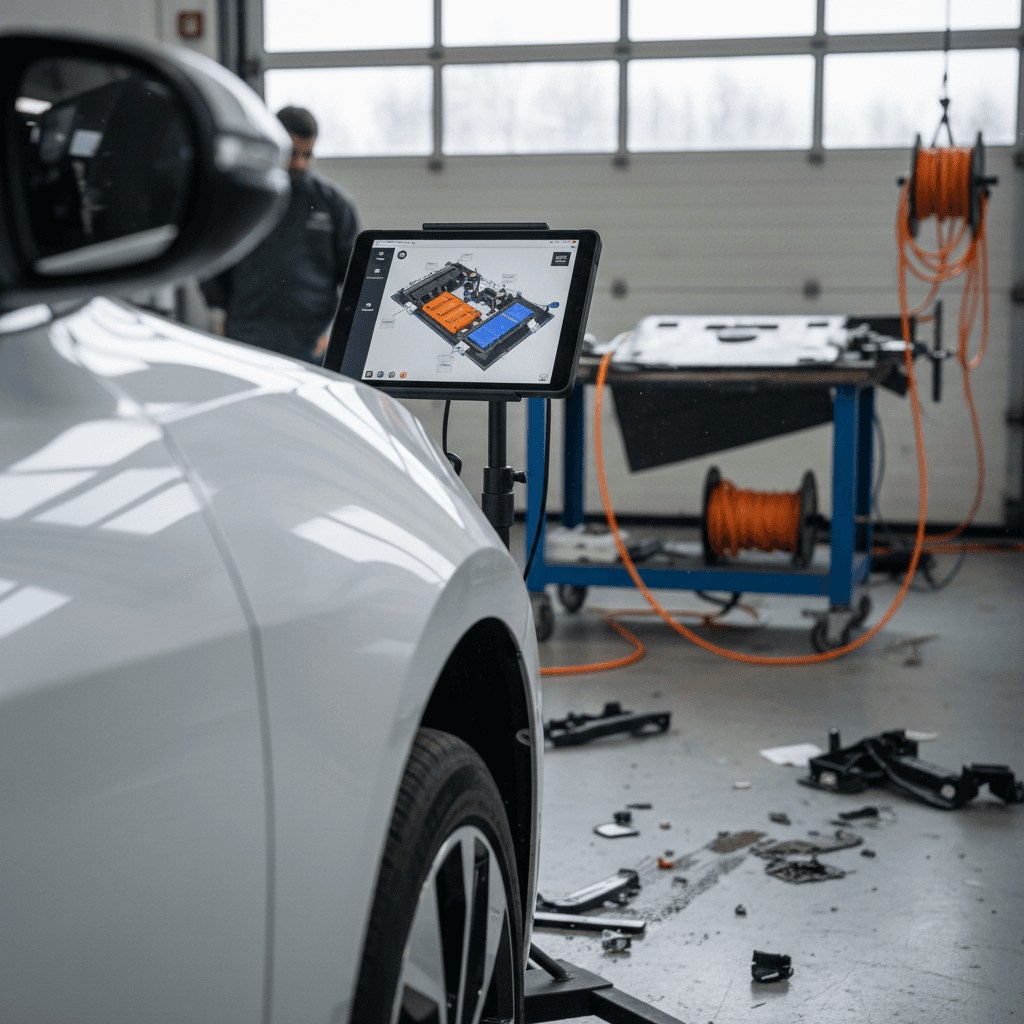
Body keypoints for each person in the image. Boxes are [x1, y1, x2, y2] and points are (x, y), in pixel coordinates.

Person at [201, 106, 361, 363]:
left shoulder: (333, 204)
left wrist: (338, 329)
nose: (300, 163)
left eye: (307, 154)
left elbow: (356, 276)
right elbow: (214, 256)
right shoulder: (243, 199)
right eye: (293, 154)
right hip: (246, 339)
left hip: (312, 344)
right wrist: (216, 311)